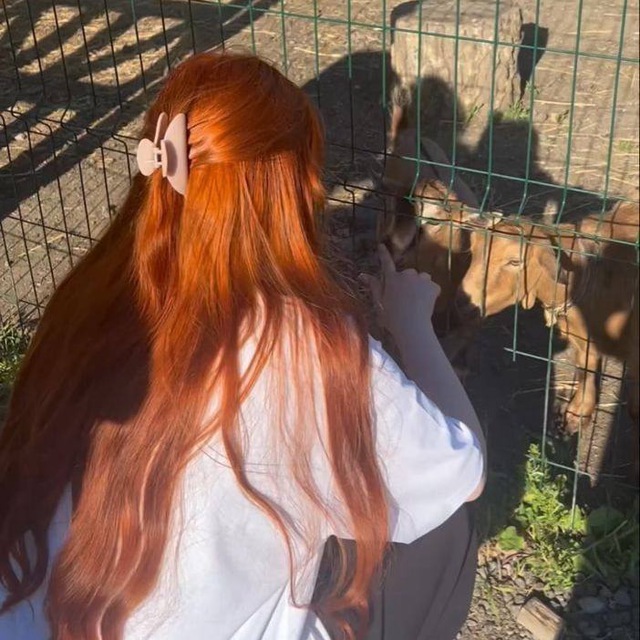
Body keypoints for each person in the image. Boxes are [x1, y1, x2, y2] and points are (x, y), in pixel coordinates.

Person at [0, 51, 485, 640]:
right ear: (293, 189)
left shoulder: (89, 296)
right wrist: (412, 324)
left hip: (31, 617)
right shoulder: (304, 343)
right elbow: (464, 472)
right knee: (445, 533)